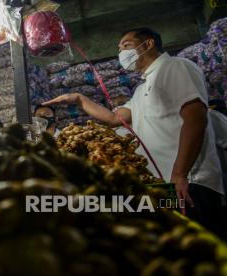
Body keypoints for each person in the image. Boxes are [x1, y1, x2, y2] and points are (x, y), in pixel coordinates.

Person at [43, 28, 225, 237]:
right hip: (165, 185)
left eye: (126, 45)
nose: (121, 52)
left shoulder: (174, 67)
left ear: (148, 44)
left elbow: (195, 118)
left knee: (203, 246)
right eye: (119, 48)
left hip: (190, 182)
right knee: (176, 246)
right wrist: (79, 99)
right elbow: (114, 118)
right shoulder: (142, 89)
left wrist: (180, 173)